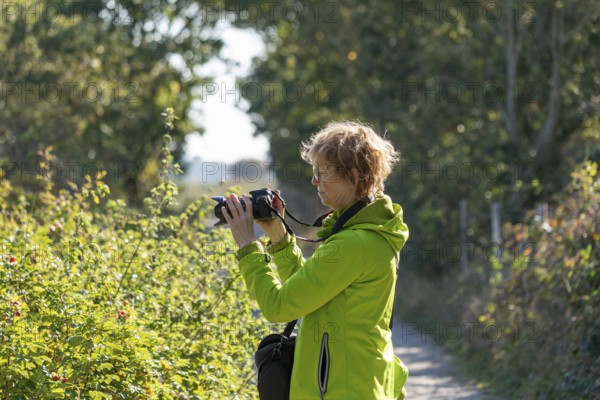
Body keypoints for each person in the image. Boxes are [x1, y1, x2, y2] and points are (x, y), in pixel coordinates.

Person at [222, 121, 409, 400]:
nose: (314, 181)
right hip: (357, 385)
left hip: (339, 391)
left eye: (322, 173)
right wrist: (279, 238)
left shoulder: (353, 244)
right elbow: (308, 292)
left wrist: (247, 246)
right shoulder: (367, 235)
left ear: (354, 176)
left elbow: (279, 306)